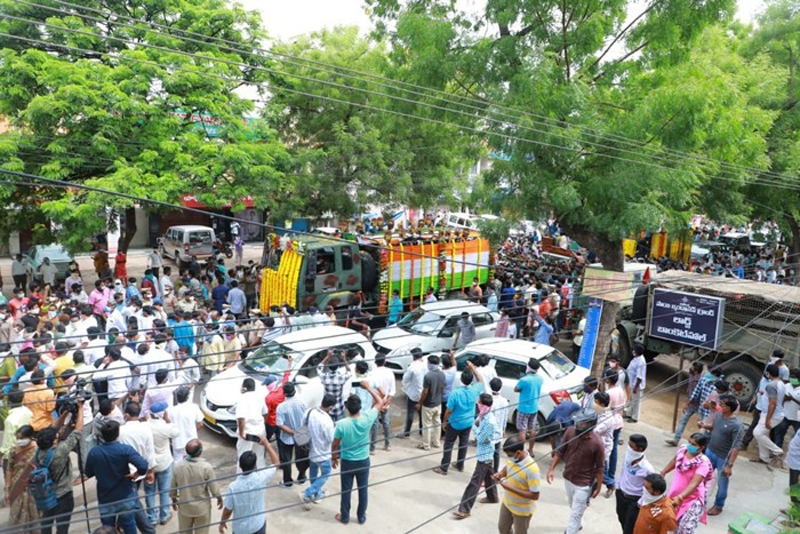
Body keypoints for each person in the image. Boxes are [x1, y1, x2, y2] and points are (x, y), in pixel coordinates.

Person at [332, 389, 385, 525]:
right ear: (360, 407)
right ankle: (361, 517)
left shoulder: (342, 424)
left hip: (347, 462)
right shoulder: (367, 419)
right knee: (363, 490)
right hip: (363, 461)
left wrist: (333, 458)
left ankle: (345, 517)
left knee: (346, 490)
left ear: (347, 408)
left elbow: (335, 444)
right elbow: (380, 402)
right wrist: (368, 387)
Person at [86, 420, 149, 534]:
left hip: (105, 497)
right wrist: (136, 475)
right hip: (124, 495)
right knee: (129, 525)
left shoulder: (94, 452)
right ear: (117, 434)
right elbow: (143, 466)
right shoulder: (125, 449)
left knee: (107, 529)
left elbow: (88, 473)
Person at [546, 410, 605, 534]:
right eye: (577, 423)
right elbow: (560, 452)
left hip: (583, 484)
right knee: (573, 507)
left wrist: (598, 486)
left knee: (575, 515)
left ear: (591, 425)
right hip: (568, 478)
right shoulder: (570, 432)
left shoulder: (598, 443)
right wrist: (551, 469)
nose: (578, 426)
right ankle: (579, 523)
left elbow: (600, 468)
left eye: (582, 424)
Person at [434, 361, 483, 475]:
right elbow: (480, 380)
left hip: (455, 423)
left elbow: (449, 410)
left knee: (449, 444)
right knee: (463, 444)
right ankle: (460, 465)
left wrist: (445, 422)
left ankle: (444, 468)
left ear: (461, 379)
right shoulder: (474, 389)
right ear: (471, 380)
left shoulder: (455, 393)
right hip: (468, 422)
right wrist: (473, 368)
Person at [453, 393, 497, 519]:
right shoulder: (483, 415)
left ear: (483, 405)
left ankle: (464, 509)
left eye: (479, 402)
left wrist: (475, 428)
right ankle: (492, 497)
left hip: (485, 455)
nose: (477, 404)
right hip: (484, 453)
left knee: (474, 483)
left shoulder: (489, 421)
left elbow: (480, 438)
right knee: (489, 476)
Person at [660, 432, 714, 534]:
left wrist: (680, 497)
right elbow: (675, 460)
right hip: (675, 494)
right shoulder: (683, 450)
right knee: (670, 525)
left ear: (701, 448)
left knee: (685, 529)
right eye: (689, 442)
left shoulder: (703, 463)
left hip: (692, 499)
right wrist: (664, 472)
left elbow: (694, 484)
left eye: (693, 444)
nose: (690, 446)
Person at [219, 445, 279, 534]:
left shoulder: (233, 487)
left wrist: (222, 523)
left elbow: (228, 510)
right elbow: (276, 463)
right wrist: (267, 444)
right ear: (255, 465)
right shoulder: (262, 477)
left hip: (241, 529)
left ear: (240, 465)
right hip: (258, 525)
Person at [170, 438, 222, 533]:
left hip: (185, 508)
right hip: (202, 509)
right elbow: (214, 489)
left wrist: (173, 499)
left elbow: (173, 487)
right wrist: (219, 498)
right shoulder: (206, 467)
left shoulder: (178, 466)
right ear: (200, 451)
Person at [704, 394, 743, 516]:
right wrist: (704, 425)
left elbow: (736, 447)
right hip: (710, 451)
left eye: (722, 404)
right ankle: (699, 499)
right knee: (703, 477)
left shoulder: (736, 425)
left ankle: (719, 505)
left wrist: (729, 465)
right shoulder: (719, 415)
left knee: (722, 483)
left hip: (723, 458)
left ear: (729, 408)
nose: (719, 405)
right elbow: (714, 428)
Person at [493, 435, 540, 534]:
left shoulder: (532, 469)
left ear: (518, 453)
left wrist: (509, 488)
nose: (508, 457)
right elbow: (508, 467)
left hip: (522, 510)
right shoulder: (513, 458)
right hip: (508, 503)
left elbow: (535, 495)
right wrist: (500, 474)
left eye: (509, 455)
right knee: (503, 528)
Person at [145, 402, 179, 526]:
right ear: (163, 413)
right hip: (164, 463)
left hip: (149, 465)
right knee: (164, 490)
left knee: (149, 492)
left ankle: (152, 518)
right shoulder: (165, 427)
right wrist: (167, 420)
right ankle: (164, 515)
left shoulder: (145, 426)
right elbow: (176, 432)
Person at [615, 434, 655, 534]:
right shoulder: (628, 457)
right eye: (629, 445)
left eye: (632, 446)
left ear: (640, 449)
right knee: (622, 520)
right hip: (621, 495)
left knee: (630, 528)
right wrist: (618, 487)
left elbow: (652, 489)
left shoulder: (647, 468)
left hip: (634, 501)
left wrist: (640, 502)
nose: (629, 448)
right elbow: (623, 471)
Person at [301, 394, 336, 507]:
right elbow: (331, 439)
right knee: (326, 474)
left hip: (310, 450)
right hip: (323, 453)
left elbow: (302, 426)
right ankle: (309, 492)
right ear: (330, 407)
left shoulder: (309, 412)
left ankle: (317, 493)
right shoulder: (327, 421)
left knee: (313, 472)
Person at [5, 425, 39, 533]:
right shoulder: (14, 451)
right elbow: (9, 470)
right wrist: (7, 489)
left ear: (30, 437)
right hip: (17, 489)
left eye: (22, 438)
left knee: (34, 517)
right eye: (18, 438)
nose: (19, 441)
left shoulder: (37, 449)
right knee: (16, 519)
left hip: (33, 489)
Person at [753, 364, 787, 468]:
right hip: (772, 413)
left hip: (771, 415)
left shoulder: (771, 385)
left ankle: (778, 451)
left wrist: (768, 419)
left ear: (768, 373)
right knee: (764, 435)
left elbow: (772, 403)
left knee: (757, 433)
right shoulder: (781, 384)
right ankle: (764, 458)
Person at [276, 381, 309, 487]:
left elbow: (280, 424)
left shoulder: (281, 407)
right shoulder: (303, 402)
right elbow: (307, 418)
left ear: (284, 394)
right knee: (302, 457)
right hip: (302, 435)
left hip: (287, 437)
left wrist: (292, 432)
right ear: (295, 391)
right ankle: (301, 477)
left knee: (287, 460)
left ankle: (287, 482)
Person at [666, 361, 704, 446]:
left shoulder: (702, 381)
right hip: (691, 404)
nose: (690, 368)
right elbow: (689, 389)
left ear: (696, 371)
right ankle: (676, 440)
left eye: (692, 367)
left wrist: (687, 404)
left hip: (699, 406)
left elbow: (695, 395)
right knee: (683, 421)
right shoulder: (692, 376)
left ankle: (700, 445)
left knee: (701, 425)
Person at [236, 378, 269, 472]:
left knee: (243, 457)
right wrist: (262, 424)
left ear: (244, 388)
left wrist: (242, 433)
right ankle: (260, 477)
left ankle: (242, 480)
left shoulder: (242, 399)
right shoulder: (259, 397)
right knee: (259, 456)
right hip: (260, 431)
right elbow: (265, 413)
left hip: (247, 433)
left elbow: (241, 418)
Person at [603, 367, 626, 497]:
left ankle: (609, 480)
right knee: (614, 449)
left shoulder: (609, 393)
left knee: (606, 451)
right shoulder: (619, 390)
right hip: (619, 421)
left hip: (610, 423)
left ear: (607, 379)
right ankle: (610, 475)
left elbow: (604, 409)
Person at [515, 358, 544, 454]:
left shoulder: (524, 380)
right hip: (534, 408)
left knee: (522, 430)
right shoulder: (540, 378)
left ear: (529, 367)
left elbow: (516, 389)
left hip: (523, 408)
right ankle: (531, 450)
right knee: (532, 429)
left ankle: (522, 451)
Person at [417, 354, 445, 450]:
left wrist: (419, 403)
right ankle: (436, 443)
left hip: (428, 405)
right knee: (437, 423)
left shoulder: (428, 376)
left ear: (431, 364)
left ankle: (426, 445)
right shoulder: (442, 374)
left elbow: (425, 391)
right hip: (438, 403)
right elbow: (442, 388)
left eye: (428, 362)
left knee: (427, 425)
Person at [168, 387, 204, 462]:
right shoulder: (194, 407)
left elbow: (168, 424)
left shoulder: (171, 410)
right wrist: (194, 430)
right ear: (187, 397)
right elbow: (200, 423)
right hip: (192, 442)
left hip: (178, 442)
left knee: (178, 463)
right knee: (194, 462)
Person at [0, 389, 32, 469]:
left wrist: (2, 455)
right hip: (27, 449)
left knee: (9, 476)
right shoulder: (28, 412)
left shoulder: (10, 420)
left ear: (9, 402)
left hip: (13, 454)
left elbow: (8, 441)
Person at [318, 350, 352, 422]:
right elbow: (349, 371)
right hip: (339, 409)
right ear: (338, 367)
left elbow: (319, 368)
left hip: (328, 410)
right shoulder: (341, 378)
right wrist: (344, 359)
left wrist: (327, 357)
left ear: (328, 366)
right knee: (341, 431)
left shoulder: (324, 377)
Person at [370, 355, 395, 453]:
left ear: (375, 362)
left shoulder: (371, 374)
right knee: (386, 423)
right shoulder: (390, 372)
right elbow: (392, 391)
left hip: (374, 403)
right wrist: (385, 404)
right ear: (384, 362)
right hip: (385, 402)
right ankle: (387, 444)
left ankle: (373, 447)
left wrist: (377, 404)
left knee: (374, 425)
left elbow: (370, 390)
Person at [401, 347, 426, 438]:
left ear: (413, 356)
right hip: (424, 393)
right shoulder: (425, 365)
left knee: (410, 413)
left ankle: (407, 433)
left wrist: (407, 388)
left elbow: (405, 379)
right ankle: (421, 431)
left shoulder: (412, 367)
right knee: (421, 414)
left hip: (413, 394)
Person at [490, 377, 511, 472]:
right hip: (499, 431)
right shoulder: (504, 401)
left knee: (488, 455)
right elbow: (505, 417)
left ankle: (489, 474)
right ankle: (495, 471)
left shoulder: (490, 401)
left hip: (490, 433)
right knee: (496, 454)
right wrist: (503, 429)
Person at [624, 344, 647, 423]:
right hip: (632, 383)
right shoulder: (636, 358)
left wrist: (635, 387)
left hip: (636, 385)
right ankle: (629, 414)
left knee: (636, 401)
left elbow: (639, 377)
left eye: (635, 350)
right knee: (631, 399)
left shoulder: (641, 361)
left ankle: (634, 417)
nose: (633, 351)